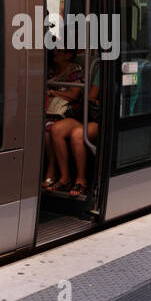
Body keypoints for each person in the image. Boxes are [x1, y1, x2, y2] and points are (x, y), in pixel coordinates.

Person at [42, 48, 84, 193]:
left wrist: (53, 92)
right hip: (52, 111)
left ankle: (60, 174)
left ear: (68, 55)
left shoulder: (75, 70)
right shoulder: (52, 71)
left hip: (69, 112)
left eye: (60, 51)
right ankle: (52, 169)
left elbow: (73, 95)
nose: (55, 52)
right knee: (46, 129)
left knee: (51, 128)